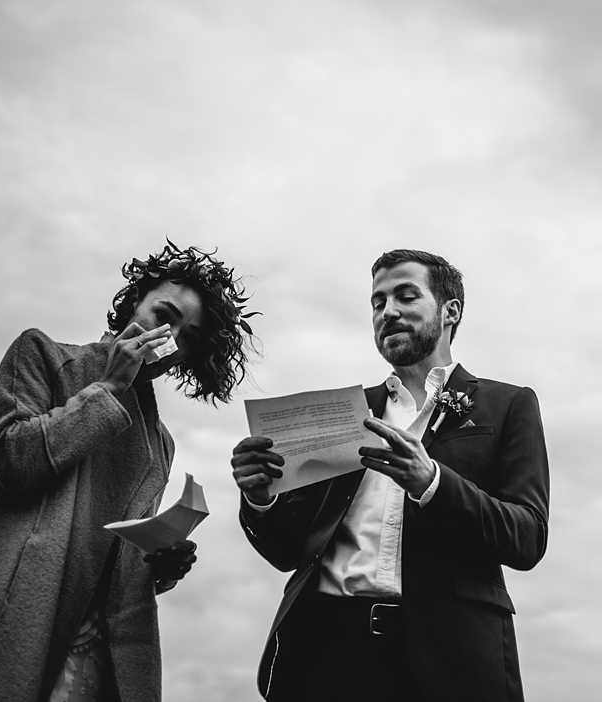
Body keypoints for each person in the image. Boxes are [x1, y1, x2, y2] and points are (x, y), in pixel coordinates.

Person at [0, 242, 256, 702]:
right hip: (14, 627)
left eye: (187, 335)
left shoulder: (160, 442)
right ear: (132, 304)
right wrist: (110, 386)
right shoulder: (41, 355)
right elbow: (14, 461)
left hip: (99, 663)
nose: (169, 336)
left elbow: (115, 555)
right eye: (163, 314)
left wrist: (159, 566)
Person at [232, 249, 549, 702]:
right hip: (323, 652)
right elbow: (288, 550)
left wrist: (433, 483)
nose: (389, 311)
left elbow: (527, 537)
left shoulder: (509, 405)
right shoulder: (345, 412)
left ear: (450, 311)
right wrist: (262, 498)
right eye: (378, 303)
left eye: (405, 296)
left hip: (448, 661)